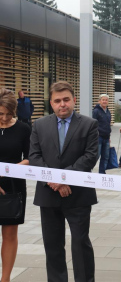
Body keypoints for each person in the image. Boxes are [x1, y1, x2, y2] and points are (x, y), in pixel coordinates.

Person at [29, 81, 99, 282]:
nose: (62, 104)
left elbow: (90, 156)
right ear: (51, 103)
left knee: (80, 243)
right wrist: (54, 182)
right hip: (48, 194)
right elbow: (34, 156)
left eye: (66, 100)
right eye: (57, 101)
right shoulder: (39, 125)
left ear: (74, 100)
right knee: (52, 246)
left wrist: (64, 179)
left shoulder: (89, 124)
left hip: (77, 195)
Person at [0, 88, 30, 282]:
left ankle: (5, 279)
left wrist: (10, 169)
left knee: (10, 234)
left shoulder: (23, 129)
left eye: (8, 114)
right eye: (0, 113)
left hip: (13, 187)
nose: (4, 118)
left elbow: (31, 158)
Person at [92, 94, 111, 174]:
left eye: (106, 100)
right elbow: (93, 124)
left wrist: (109, 137)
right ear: (99, 101)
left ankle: (102, 173)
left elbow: (108, 124)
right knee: (96, 156)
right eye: (103, 100)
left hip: (106, 138)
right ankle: (88, 170)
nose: (104, 101)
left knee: (105, 157)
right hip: (98, 137)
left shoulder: (108, 111)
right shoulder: (96, 111)